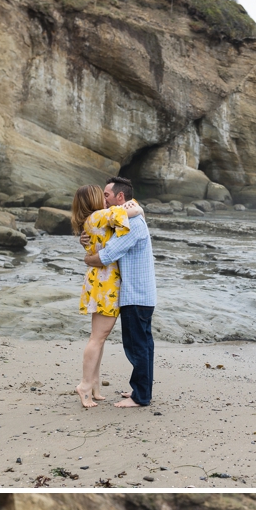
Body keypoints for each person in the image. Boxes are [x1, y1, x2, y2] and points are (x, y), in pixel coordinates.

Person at [82, 175, 157, 408]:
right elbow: (103, 238)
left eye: (107, 195)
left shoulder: (133, 225)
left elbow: (107, 255)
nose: (104, 200)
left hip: (136, 295)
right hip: (137, 295)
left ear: (120, 197)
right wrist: (86, 239)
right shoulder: (124, 221)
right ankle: (140, 389)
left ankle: (140, 397)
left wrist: (87, 259)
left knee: (137, 347)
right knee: (143, 345)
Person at [68, 185, 142, 409]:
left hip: (98, 280)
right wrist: (132, 204)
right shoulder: (100, 216)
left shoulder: (90, 220)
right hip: (106, 282)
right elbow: (135, 211)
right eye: (102, 196)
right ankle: (84, 386)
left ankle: (95, 386)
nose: (106, 200)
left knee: (98, 337)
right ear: (94, 199)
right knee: (98, 337)